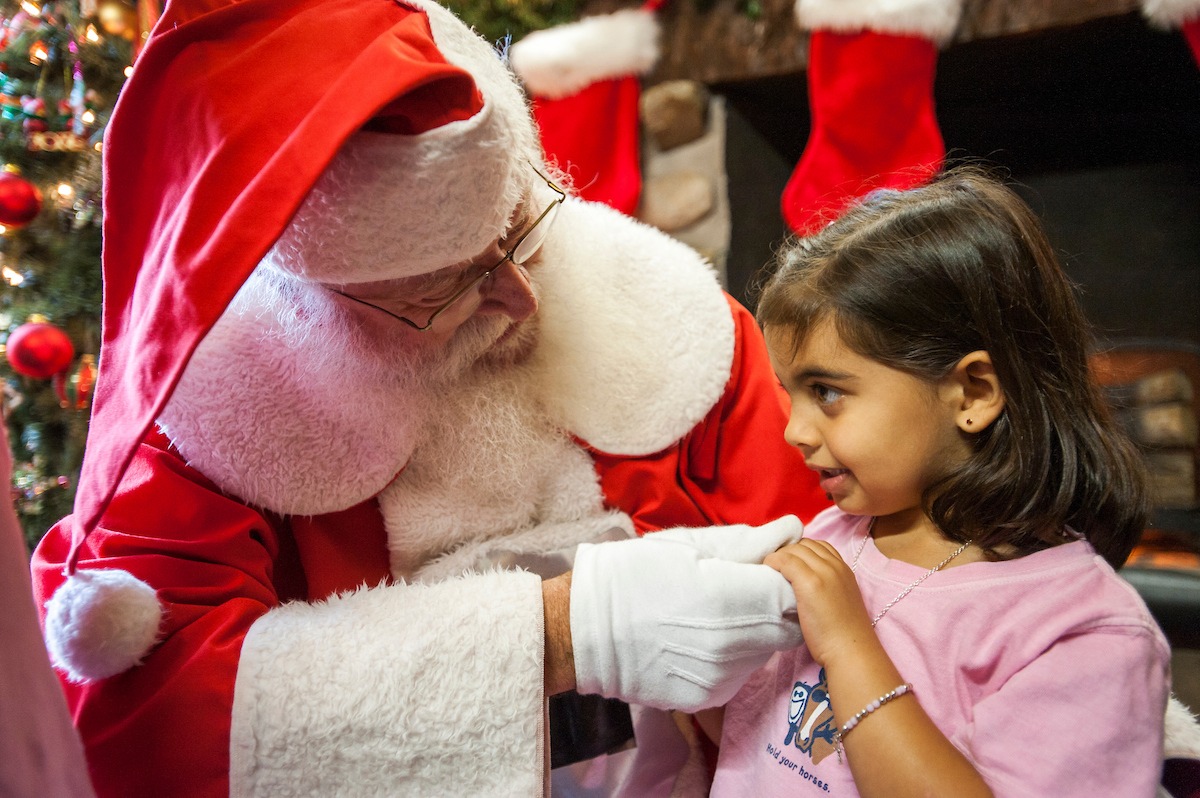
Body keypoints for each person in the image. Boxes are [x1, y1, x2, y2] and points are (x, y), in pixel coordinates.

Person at [27, 0, 829, 796]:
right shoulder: (216, 414)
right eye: (454, 286)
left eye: (521, 232)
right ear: (316, 299)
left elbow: (837, 572)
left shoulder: (666, 316)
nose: (519, 297)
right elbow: (160, 726)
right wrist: (564, 633)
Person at [707, 168, 1175, 796]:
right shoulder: (836, 538)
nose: (795, 431)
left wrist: (849, 649)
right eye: (789, 395)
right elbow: (756, 747)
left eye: (826, 392)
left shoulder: (1081, 636)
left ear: (973, 393)